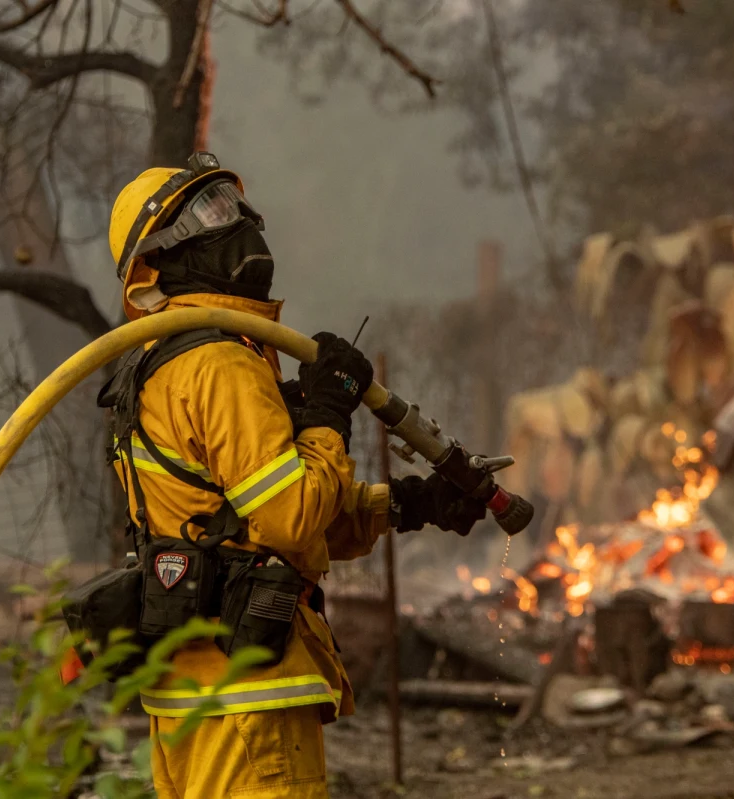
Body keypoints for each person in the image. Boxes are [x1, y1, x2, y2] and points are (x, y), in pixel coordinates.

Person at [103, 152, 486, 798]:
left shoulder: (165, 363)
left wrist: (410, 504)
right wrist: (329, 417)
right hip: (248, 700)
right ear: (161, 257)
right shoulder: (219, 362)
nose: (240, 222)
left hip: (191, 703)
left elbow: (243, 527)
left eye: (232, 203)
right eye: (209, 212)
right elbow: (290, 514)